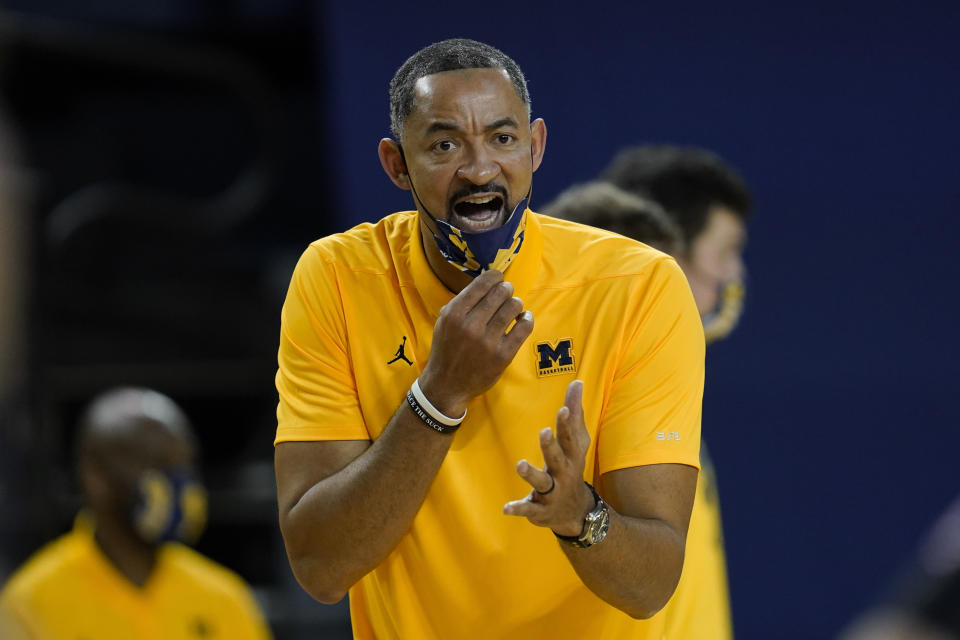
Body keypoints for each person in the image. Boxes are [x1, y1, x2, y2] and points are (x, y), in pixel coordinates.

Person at [274, 38, 705, 639]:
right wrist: (438, 395)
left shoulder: (637, 285)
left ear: (536, 147)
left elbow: (651, 585)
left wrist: (577, 514)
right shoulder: (339, 277)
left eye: (502, 139)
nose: (479, 169)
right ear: (396, 164)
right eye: (445, 144)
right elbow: (320, 568)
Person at [570, 144, 752, 640]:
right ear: (665, 256)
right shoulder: (587, 400)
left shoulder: (664, 390)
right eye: (726, 251)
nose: (733, 276)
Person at [0, 387, 273, 640]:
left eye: (184, 464)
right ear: (94, 477)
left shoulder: (224, 598)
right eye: (157, 463)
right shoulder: (31, 603)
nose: (177, 484)